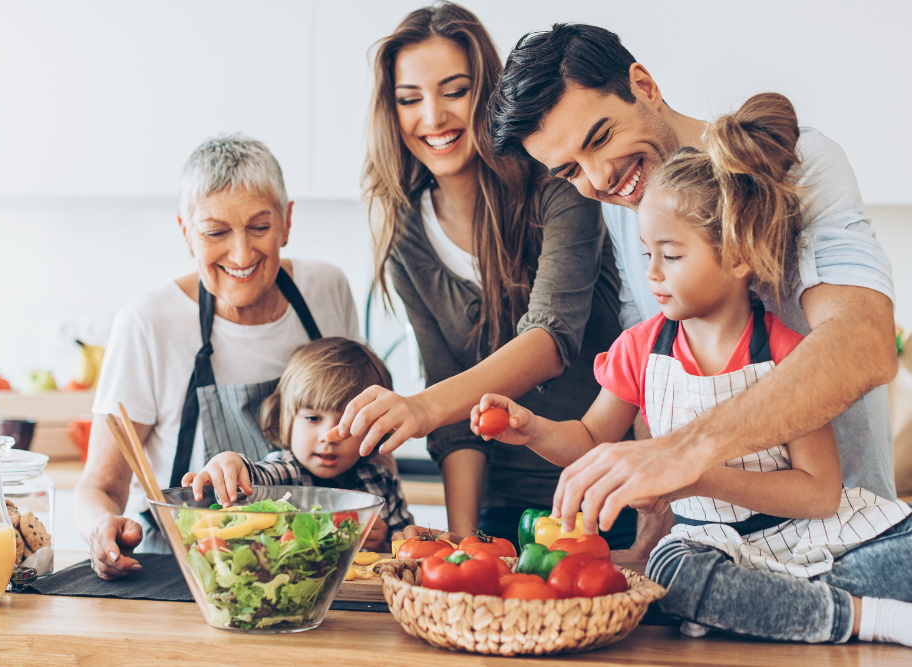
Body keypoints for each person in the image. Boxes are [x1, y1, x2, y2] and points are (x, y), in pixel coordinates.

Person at [474, 93, 912, 646]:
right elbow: (590, 439)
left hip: (812, 537)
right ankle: (865, 620)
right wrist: (531, 430)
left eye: (672, 256)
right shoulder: (640, 348)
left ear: (736, 255)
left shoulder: (786, 353)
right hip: (714, 547)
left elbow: (821, 494)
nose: (651, 274)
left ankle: (799, 611)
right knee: (672, 572)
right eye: (645, 252)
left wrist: (691, 470)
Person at [332, 2, 633, 549]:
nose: (433, 117)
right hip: (500, 509)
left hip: (605, 493)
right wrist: (462, 542)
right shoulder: (405, 233)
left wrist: (420, 408)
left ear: (488, 95)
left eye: (455, 90)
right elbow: (449, 406)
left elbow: (550, 340)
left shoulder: (559, 186)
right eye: (409, 99)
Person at [75, 135, 363, 579]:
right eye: (216, 232)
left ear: (287, 221)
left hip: (312, 569)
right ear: (186, 233)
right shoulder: (148, 322)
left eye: (260, 227)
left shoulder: (326, 290)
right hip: (185, 575)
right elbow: (100, 486)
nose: (242, 254)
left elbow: (367, 438)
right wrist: (101, 529)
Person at [182, 337, 414, 552]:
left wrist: (384, 544)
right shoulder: (285, 470)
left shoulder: (382, 480)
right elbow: (256, 476)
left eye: (349, 424)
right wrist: (230, 462)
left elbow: (407, 549)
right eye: (313, 418)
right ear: (287, 420)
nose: (329, 436)